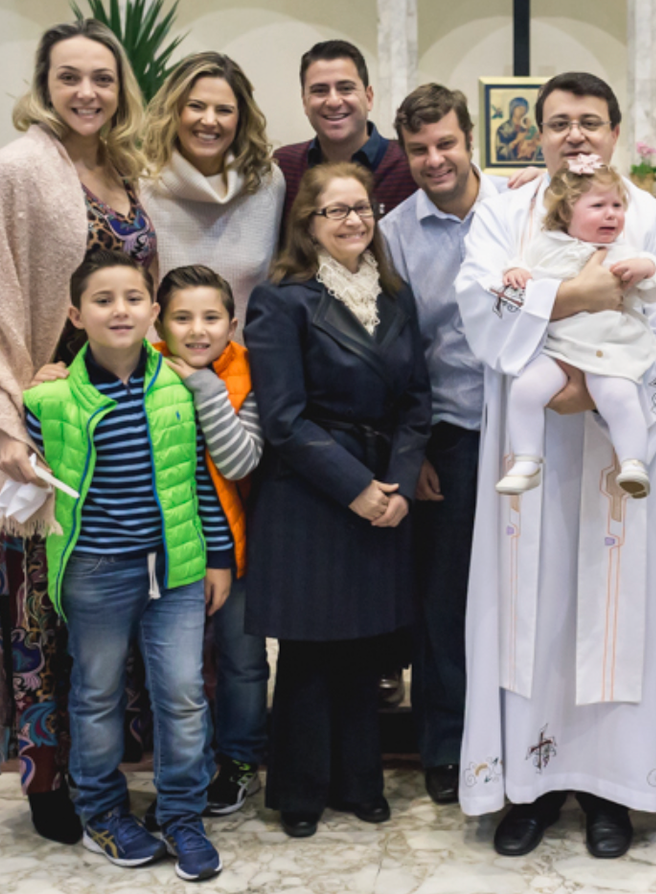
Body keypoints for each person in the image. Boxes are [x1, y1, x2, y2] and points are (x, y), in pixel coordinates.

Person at [454, 72, 656, 859]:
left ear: (616, 131)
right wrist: (581, 295)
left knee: (613, 610)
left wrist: (591, 390)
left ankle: (610, 791)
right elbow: (478, 302)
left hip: (618, 452)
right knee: (532, 611)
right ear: (538, 136)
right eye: (559, 122)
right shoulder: (503, 215)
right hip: (529, 455)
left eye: (590, 121)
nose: (575, 135)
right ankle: (528, 790)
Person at [0, 19, 154, 842]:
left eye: (102, 77)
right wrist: (11, 413)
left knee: (102, 588)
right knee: (37, 598)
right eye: (70, 77)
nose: (87, 92)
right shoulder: (18, 168)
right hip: (37, 416)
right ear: (44, 84)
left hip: (113, 412)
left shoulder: (125, 168)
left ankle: (101, 761)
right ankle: (46, 776)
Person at [23, 249, 229, 881]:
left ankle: (183, 814)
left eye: (134, 298)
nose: (120, 310)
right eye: (103, 300)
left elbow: (198, 478)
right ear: (75, 315)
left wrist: (217, 557)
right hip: (95, 570)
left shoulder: (179, 386)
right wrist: (30, 393)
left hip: (178, 568)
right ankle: (103, 813)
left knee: (184, 694)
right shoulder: (49, 398)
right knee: (96, 694)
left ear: (154, 311)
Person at [244, 163, 432, 838]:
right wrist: (355, 488)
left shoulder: (395, 294)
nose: (354, 220)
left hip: (384, 485)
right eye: (337, 210)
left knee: (363, 646)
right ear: (308, 221)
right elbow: (283, 418)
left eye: (363, 208)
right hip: (312, 491)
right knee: (308, 651)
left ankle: (359, 781)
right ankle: (300, 790)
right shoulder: (281, 299)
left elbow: (417, 400)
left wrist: (398, 483)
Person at [379, 83, 507, 805]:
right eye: (419, 148)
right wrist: (416, 450)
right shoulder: (396, 232)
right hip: (451, 434)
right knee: (446, 599)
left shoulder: (518, 209)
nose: (435, 159)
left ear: (470, 140)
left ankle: (521, 735)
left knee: (524, 589)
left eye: (446, 143)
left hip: (530, 429)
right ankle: (448, 744)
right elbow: (399, 352)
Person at [155, 265, 267, 815]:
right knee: (179, 668)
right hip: (166, 552)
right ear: (160, 323)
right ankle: (189, 768)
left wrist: (204, 388)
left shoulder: (249, 373)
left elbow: (240, 460)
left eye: (211, 318)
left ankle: (241, 758)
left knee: (242, 660)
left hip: (236, 549)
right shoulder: (144, 370)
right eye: (182, 318)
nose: (197, 330)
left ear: (232, 323)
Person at [496, 156, 656, 498]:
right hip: (559, 349)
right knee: (525, 390)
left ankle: (633, 461)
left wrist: (646, 269)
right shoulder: (545, 245)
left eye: (617, 205)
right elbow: (523, 265)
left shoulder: (622, 251)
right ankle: (527, 460)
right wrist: (516, 271)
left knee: (618, 395)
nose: (611, 214)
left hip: (610, 348)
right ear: (565, 212)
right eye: (598, 206)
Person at [141, 52, 285, 336]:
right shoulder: (141, 183)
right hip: (160, 361)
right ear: (174, 110)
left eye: (224, 110)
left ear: (241, 117)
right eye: (196, 106)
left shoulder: (268, 183)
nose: (209, 120)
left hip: (247, 360)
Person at [274, 40, 416, 237]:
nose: (333, 101)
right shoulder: (284, 168)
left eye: (346, 88)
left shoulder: (409, 165)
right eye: (319, 90)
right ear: (305, 102)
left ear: (369, 97)